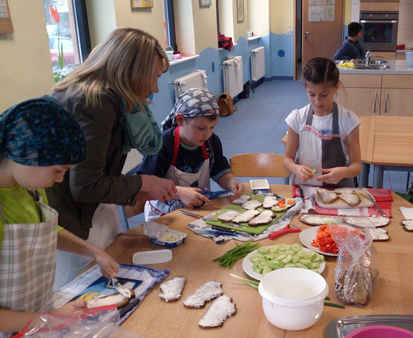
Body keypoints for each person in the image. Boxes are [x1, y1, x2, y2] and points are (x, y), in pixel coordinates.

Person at [47, 27, 177, 288]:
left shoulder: (99, 96)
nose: (155, 89)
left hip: (85, 215)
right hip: (74, 223)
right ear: (130, 71)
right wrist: (143, 184)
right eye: (153, 77)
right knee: (86, 291)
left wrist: (132, 191)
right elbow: (86, 185)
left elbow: (99, 170)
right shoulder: (95, 101)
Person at [0, 97, 120, 337]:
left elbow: (44, 233)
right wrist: (51, 319)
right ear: (25, 155)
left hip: (33, 318)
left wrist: (94, 251)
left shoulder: (27, 188)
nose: (59, 180)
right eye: (57, 170)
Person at [136, 88, 245, 221]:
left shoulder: (211, 142)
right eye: (201, 128)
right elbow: (145, 188)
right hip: (165, 218)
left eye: (212, 127)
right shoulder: (162, 145)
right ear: (180, 120)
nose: (207, 134)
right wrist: (179, 193)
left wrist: (231, 182)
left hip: (198, 212)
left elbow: (220, 172)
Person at [283, 57, 361, 187]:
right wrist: (296, 169)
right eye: (312, 94)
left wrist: (345, 172)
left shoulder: (348, 120)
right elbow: (287, 160)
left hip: (339, 191)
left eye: (324, 95)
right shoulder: (297, 118)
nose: (318, 101)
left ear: (336, 87)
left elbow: (356, 166)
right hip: (305, 188)